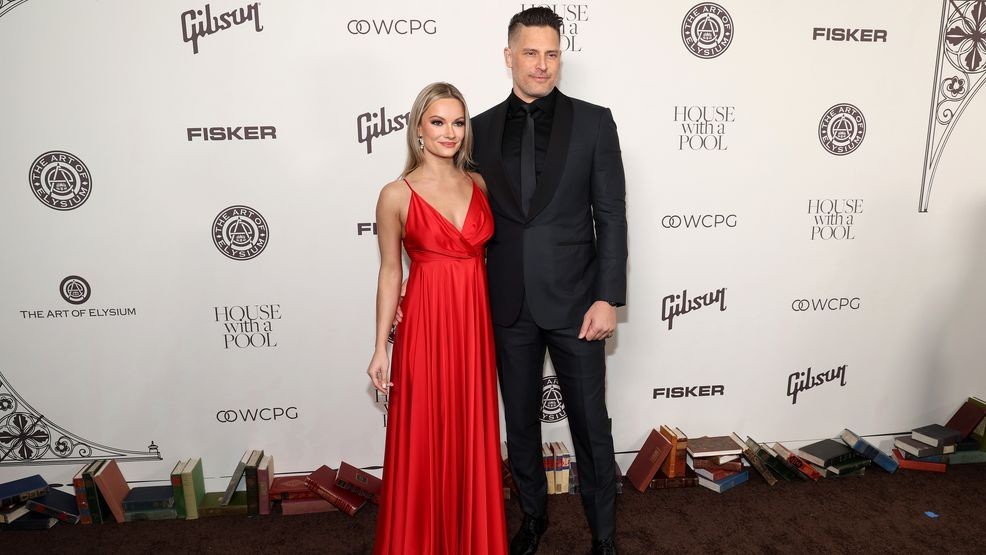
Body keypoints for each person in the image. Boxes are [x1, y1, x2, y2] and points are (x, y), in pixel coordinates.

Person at [470, 7, 627, 555]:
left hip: (578, 303)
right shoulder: (479, 129)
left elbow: (610, 214)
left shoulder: (594, 121)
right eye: (531, 53)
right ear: (508, 55)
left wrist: (608, 297)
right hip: (507, 304)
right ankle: (532, 519)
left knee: (591, 427)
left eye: (552, 53)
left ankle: (603, 535)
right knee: (521, 425)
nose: (542, 65)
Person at [367, 82, 508, 555]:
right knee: (424, 435)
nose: (450, 132)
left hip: (472, 323)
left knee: (471, 432)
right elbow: (390, 273)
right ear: (419, 130)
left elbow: (484, 262)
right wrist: (379, 347)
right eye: (438, 122)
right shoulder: (395, 194)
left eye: (458, 122)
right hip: (425, 325)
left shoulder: (479, 184)